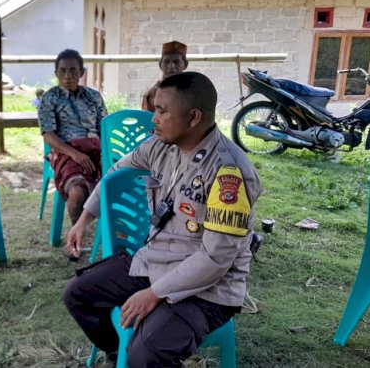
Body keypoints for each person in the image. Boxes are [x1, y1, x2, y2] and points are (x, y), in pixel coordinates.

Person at [64, 72, 261, 367]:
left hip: (209, 288)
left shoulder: (228, 173)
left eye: (161, 111)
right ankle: (120, 355)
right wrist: (84, 219)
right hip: (156, 260)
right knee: (77, 295)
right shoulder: (161, 146)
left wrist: (154, 294)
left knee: (147, 351)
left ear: (193, 117)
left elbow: (216, 260)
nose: (153, 118)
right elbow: (115, 173)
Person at [38, 49, 108, 229]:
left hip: (96, 149)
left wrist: (105, 154)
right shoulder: (50, 98)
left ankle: (114, 238)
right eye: (62, 71)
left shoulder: (94, 97)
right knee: (77, 191)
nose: (68, 75)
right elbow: (48, 135)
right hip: (65, 151)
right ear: (56, 73)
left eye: (73, 70)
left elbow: (104, 129)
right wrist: (76, 155)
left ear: (81, 72)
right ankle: (76, 239)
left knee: (116, 184)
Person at [141, 41, 189, 112]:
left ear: (185, 64)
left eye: (176, 62)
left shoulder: (192, 91)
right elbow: (147, 120)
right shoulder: (152, 94)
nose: (171, 66)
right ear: (160, 65)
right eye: (166, 62)